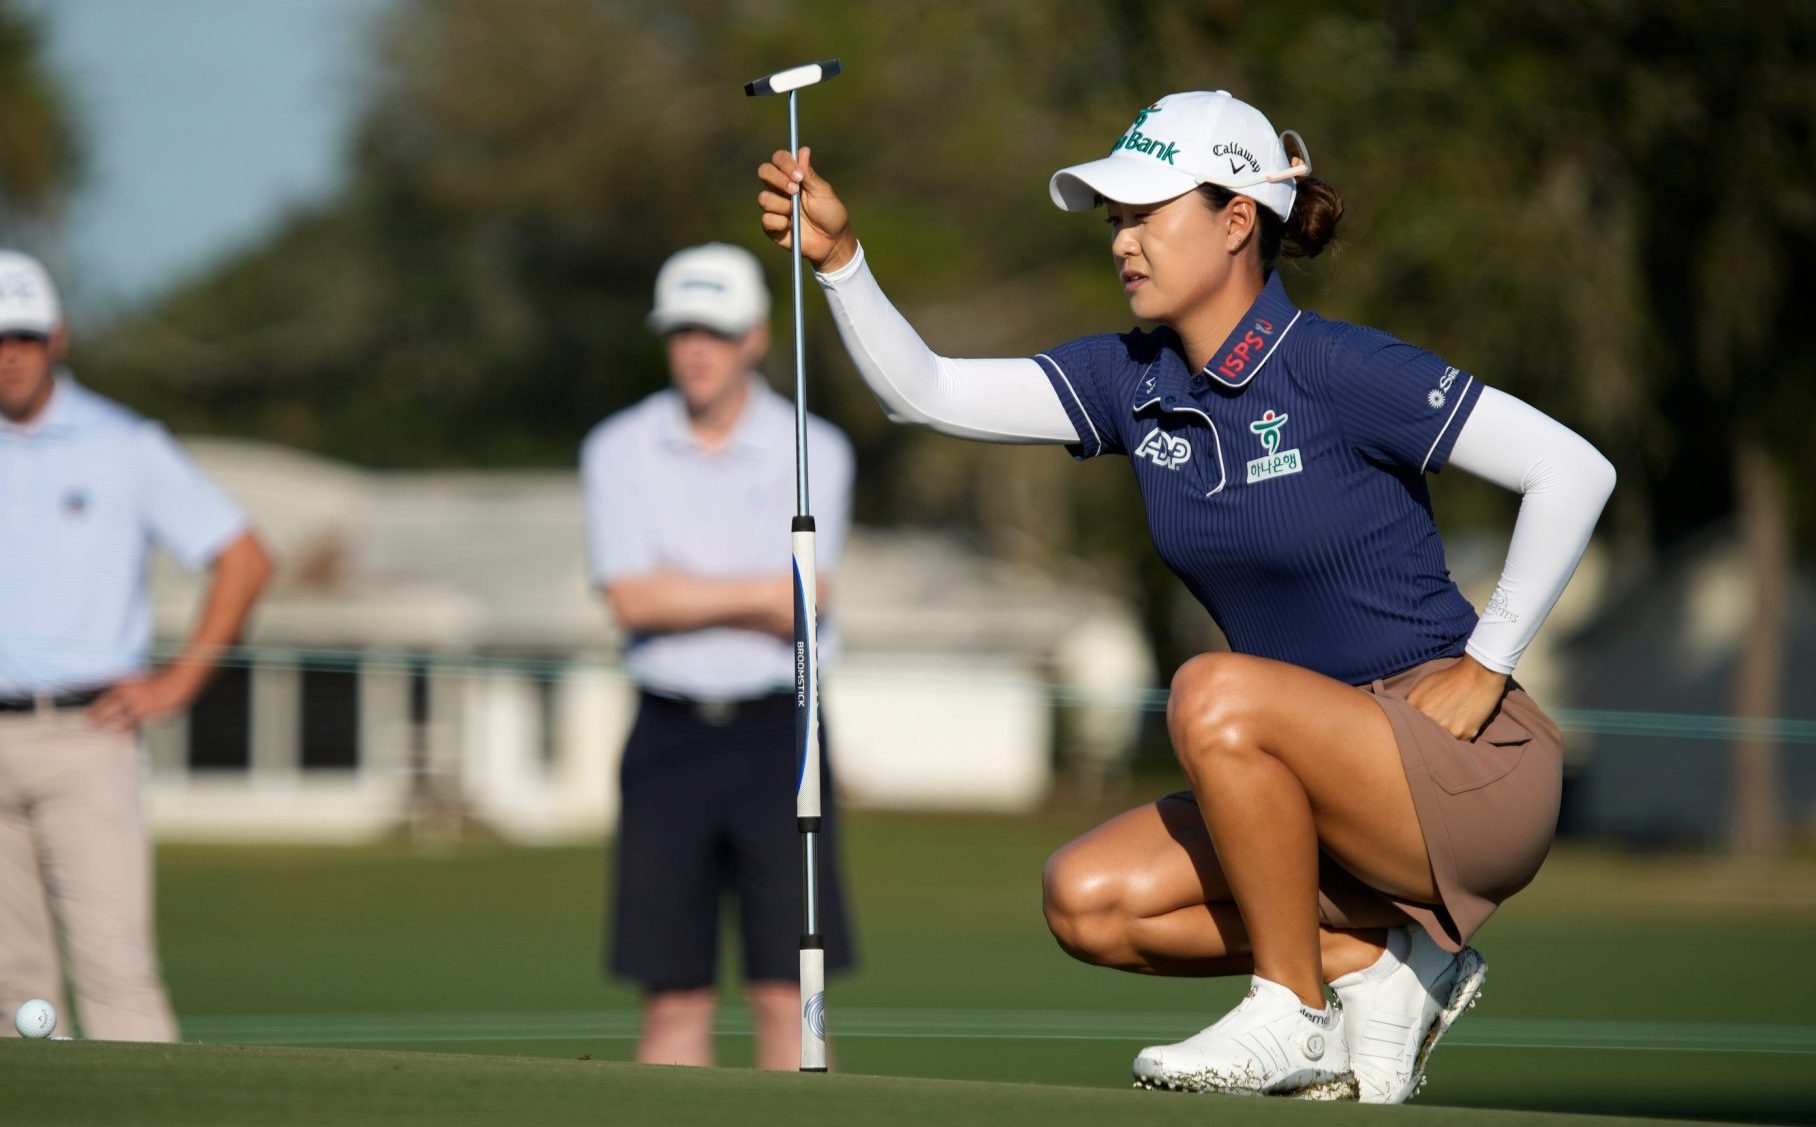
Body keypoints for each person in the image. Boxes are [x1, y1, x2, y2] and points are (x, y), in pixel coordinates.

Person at [757, 90, 1614, 1100]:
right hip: (1304, 784)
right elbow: (929, 392)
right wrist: (843, 263)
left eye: (1145, 212)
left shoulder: (1337, 367)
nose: (1121, 240)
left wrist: (1485, 664)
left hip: (1466, 768)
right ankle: (1375, 969)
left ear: (1235, 219)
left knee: (1209, 688)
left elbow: (1570, 469)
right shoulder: (1131, 380)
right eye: (1114, 218)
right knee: (1088, 900)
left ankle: (1287, 1012)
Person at [0, 249, 274, 1041]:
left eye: (24, 335)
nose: (9, 354)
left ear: (58, 335)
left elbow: (243, 558)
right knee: (17, 995)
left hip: (87, 735)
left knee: (116, 977)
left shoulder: (126, 444)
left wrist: (177, 683)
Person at [579, 242, 857, 1069]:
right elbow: (631, 599)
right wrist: (755, 591)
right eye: (682, 331)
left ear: (757, 337)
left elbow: (803, 602)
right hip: (667, 737)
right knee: (672, 999)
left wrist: (683, 590)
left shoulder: (818, 448)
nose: (697, 349)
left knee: (790, 997)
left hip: (784, 734)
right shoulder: (616, 447)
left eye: (717, 331)